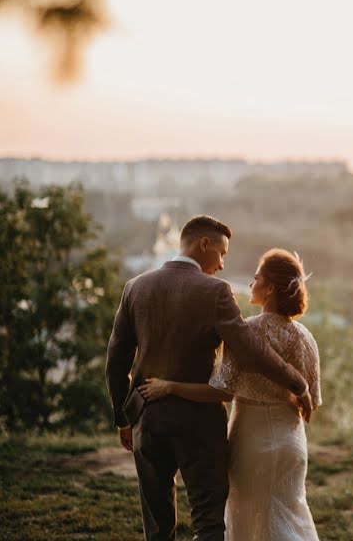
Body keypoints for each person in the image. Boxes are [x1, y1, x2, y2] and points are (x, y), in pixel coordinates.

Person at [105, 216, 313, 541]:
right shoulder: (216, 291)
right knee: (209, 522)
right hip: (199, 425)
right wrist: (297, 383)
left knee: (157, 527)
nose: (220, 264)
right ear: (204, 244)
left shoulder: (136, 287)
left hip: (148, 420)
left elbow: (116, 362)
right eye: (222, 254)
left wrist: (124, 418)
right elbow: (251, 351)